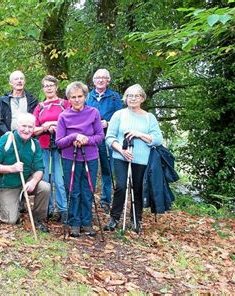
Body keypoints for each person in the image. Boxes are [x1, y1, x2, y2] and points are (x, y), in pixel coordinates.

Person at [104, 84, 163, 234]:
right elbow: (109, 137)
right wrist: (121, 150)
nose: (133, 98)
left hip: (142, 160)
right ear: (125, 98)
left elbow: (157, 139)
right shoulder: (119, 115)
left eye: (136, 96)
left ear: (142, 98)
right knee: (121, 187)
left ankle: (136, 220)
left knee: (138, 189)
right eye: (130, 95)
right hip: (121, 157)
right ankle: (114, 218)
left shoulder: (149, 118)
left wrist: (139, 134)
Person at [56, 81, 104, 237]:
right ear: (68, 99)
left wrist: (86, 140)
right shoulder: (63, 116)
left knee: (88, 189)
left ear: (85, 97)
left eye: (80, 96)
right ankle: (74, 222)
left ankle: (87, 222)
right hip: (70, 158)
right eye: (73, 97)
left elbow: (100, 136)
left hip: (90, 157)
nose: (77, 100)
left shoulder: (94, 113)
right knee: (73, 190)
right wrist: (74, 137)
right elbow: (59, 142)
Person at [0, 113, 50, 233]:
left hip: (24, 182)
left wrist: (33, 182)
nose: (27, 130)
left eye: (30, 127)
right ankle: (13, 203)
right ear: (17, 126)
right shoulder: (6, 139)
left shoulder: (34, 144)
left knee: (45, 187)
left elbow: (39, 169)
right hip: (7, 185)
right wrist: (11, 168)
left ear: (34, 128)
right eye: (24, 126)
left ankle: (38, 219)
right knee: (11, 220)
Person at [32, 75, 69, 222]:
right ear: (43, 88)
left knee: (59, 179)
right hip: (44, 146)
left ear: (56, 87)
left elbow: (71, 121)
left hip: (60, 147)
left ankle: (63, 209)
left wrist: (56, 124)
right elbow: (33, 129)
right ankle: (46, 209)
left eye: (51, 85)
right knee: (45, 179)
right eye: (46, 86)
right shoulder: (40, 107)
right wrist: (44, 127)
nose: (48, 88)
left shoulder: (64, 104)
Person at [85, 69, 123, 214]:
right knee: (90, 168)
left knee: (107, 169)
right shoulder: (88, 96)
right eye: (98, 78)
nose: (100, 80)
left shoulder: (114, 97)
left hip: (108, 137)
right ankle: (89, 198)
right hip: (91, 137)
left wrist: (108, 123)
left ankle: (106, 200)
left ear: (108, 80)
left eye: (104, 78)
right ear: (93, 81)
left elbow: (119, 116)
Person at [0, 70, 38, 135]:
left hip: (28, 137)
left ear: (24, 82)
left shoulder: (32, 100)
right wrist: (8, 134)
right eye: (16, 79)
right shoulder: (3, 101)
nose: (19, 81)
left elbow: (36, 120)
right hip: (8, 137)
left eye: (21, 79)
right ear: (10, 82)